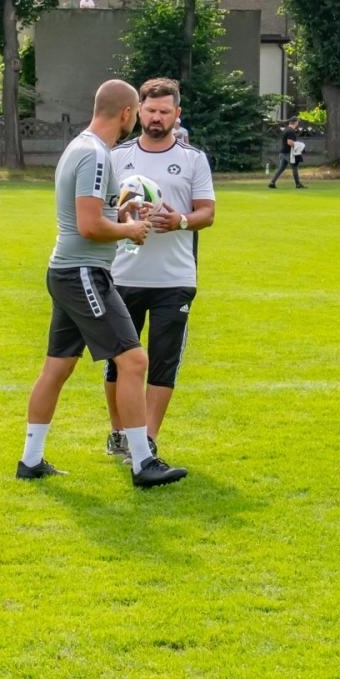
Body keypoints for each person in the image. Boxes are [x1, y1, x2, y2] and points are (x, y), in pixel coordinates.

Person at [18, 79, 187, 489]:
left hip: (68, 270)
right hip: (82, 273)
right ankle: (142, 462)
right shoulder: (95, 154)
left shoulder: (81, 147)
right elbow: (89, 225)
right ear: (128, 113)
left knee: (57, 368)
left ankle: (30, 460)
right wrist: (130, 231)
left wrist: (125, 212)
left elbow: (95, 214)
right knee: (134, 361)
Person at [100, 78, 214, 461]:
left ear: (176, 114)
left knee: (163, 363)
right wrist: (124, 217)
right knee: (120, 362)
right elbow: (100, 211)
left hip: (174, 278)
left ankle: (146, 438)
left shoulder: (193, 159)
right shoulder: (117, 157)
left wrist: (179, 221)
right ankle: (118, 432)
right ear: (137, 112)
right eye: (150, 111)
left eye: (165, 112)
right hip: (123, 276)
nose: (156, 118)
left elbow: (207, 212)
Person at [268, 117, 306, 189]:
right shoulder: (291, 131)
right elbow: (289, 142)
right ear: (295, 122)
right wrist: (299, 145)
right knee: (294, 167)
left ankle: (272, 182)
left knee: (281, 168)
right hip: (288, 153)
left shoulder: (286, 129)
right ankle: (298, 184)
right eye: (298, 122)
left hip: (282, 152)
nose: (298, 123)